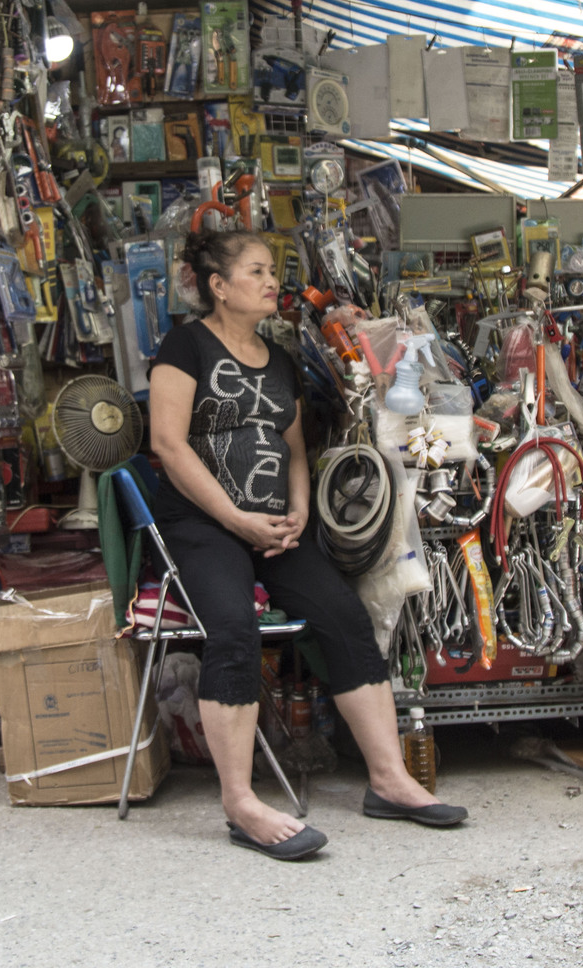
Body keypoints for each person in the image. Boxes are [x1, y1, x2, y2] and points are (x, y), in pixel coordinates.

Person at [147, 229, 466, 861]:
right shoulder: (184, 346)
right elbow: (168, 445)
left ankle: (389, 780)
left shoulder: (282, 359)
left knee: (344, 618)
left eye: (274, 270)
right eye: (258, 271)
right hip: (202, 526)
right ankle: (240, 803)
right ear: (219, 285)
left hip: (275, 527)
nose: (273, 282)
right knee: (233, 629)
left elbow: (296, 451)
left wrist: (296, 512)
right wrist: (235, 518)